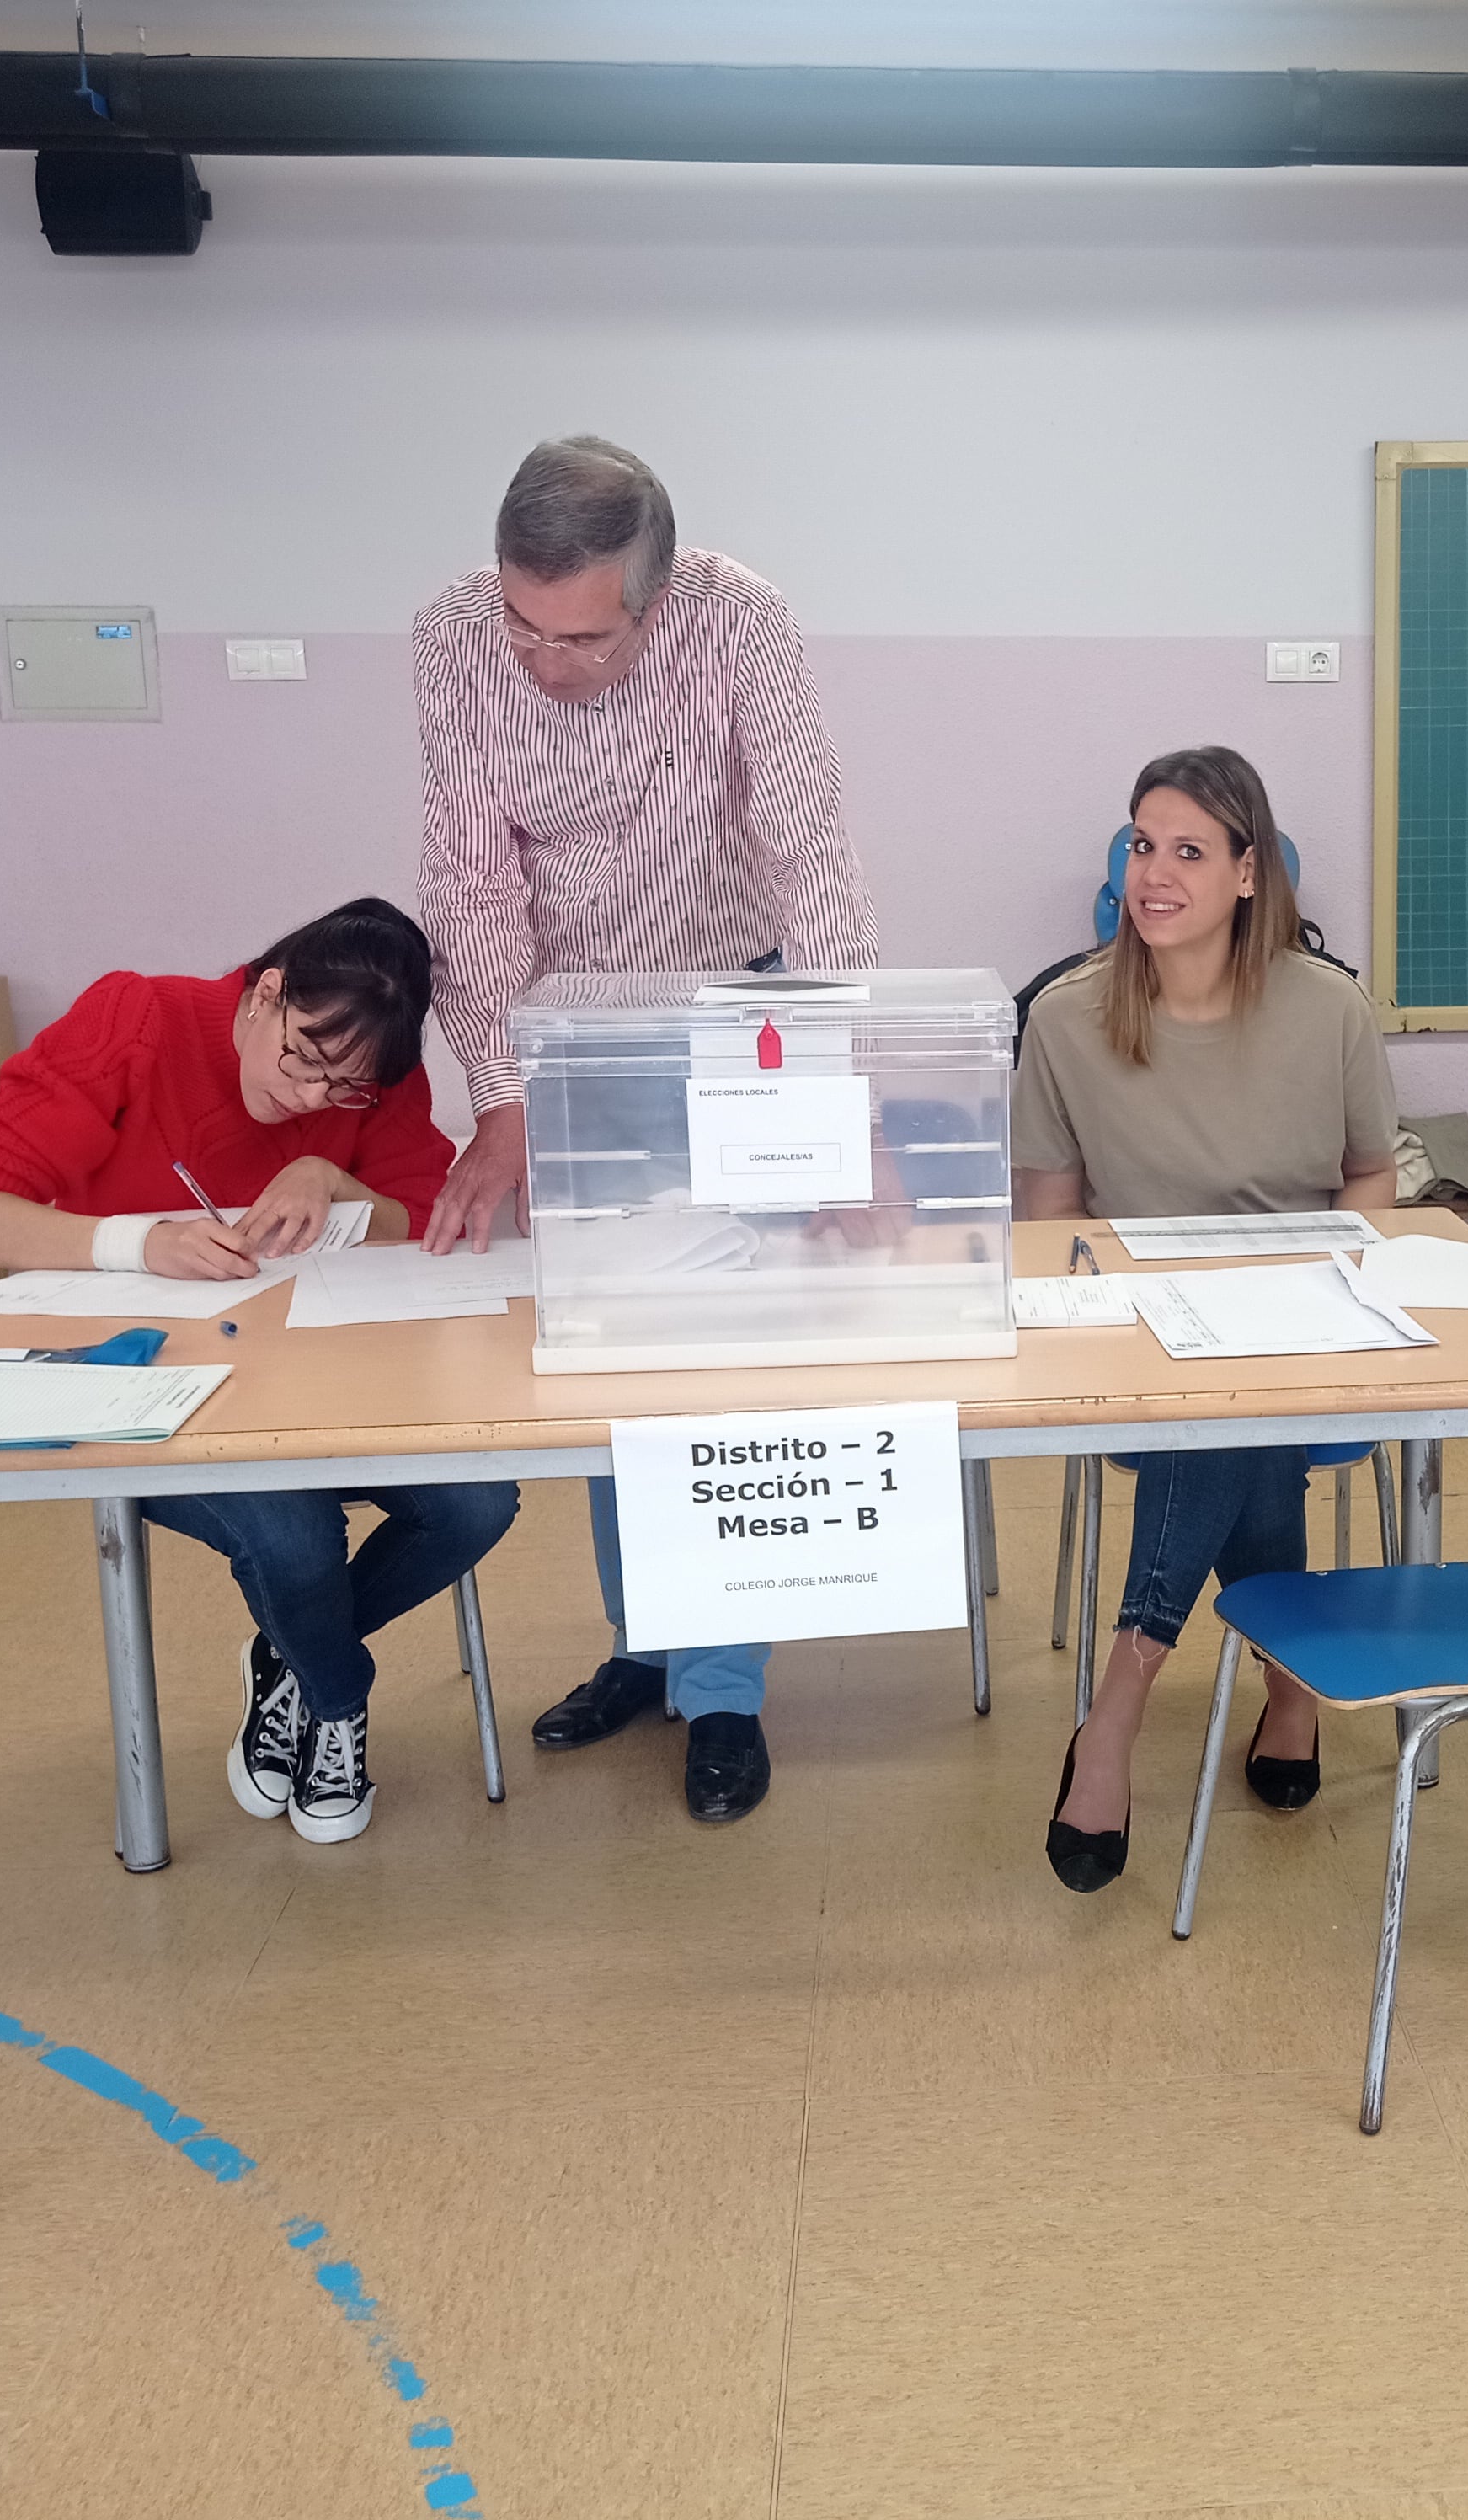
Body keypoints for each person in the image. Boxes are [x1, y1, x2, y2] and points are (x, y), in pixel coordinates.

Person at [414, 434, 877, 1826]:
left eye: (582, 636)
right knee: (619, 1357)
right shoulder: (449, 641)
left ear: (655, 598)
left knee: (725, 1358)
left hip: (741, 1014)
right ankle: (650, 1642)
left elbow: (807, 843)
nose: (542, 661)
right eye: (523, 622)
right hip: (567, 1041)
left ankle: (724, 1688)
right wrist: (499, 1092)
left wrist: (841, 1078)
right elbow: (467, 874)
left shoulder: (741, 620)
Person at [0, 898, 520, 1845]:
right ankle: (336, 1696)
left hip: (323, 1379)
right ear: (267, 990)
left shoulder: (367, 1083)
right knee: (293, 1533)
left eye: (346, 1090)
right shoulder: (137, 1021)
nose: (311, 1097)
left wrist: (337, 1185)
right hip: (147, 1386)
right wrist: (136, 1243)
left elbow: (422, 1217)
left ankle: (288, 1656)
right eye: (303, 1059)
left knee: (478, 1501)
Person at [1012, 746, 1400, 1892]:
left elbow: (1373, 1175)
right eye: (1142, 845)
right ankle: (1285, 1686)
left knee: (1240, 1418)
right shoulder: (1069, 1017)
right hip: (1138, 1330)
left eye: (1189, 849)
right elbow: (1050, 1216)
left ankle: (1120, 1698)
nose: (1156, 872)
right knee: (1233, 1434)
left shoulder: (1326, 1008)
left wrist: (1333, 1275)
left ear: (1248, 873)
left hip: (1302, 1321)